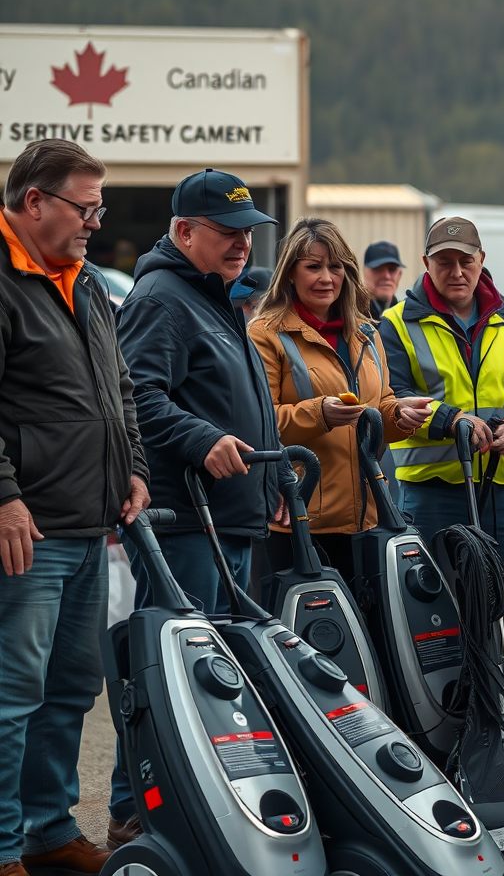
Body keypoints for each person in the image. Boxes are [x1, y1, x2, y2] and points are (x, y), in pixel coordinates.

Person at [109, 168, 292, 845]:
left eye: (248, 232)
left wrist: (274, 485)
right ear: (184, 231)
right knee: (172, 674)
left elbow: (242, 401)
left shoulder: (211, 295)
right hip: (184, 521)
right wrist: (201, 439)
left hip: (226, 519)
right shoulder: (162, 297)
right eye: (227, 231)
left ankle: (198, 806)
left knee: (210, 679)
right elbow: (137, 397)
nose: (243, 243)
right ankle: (135, 811)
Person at [0, 139, 150, 876]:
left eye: (99, 208)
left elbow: (120, 388)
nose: (95, 222)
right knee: (11, 697)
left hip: (90, 526)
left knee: (67, 693)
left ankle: (49, 833)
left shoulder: (86, 283)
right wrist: (4, 498)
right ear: (34, 202)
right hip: (27, 531)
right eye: (85, 208)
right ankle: (3, 846)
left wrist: (135, 467)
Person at [248, 218, 431, 578]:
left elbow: (379, 406)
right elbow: (258, 422)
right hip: (297, 518)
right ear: (290, 272)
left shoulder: (367, 333)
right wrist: (321, 414)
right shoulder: (264, 334)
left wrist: (398, 415)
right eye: (313, 267)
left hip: (368, 518)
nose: (326, 278)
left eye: (335, 267)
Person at [379, 217, 504, 560]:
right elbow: (392, 395)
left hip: (502, 488)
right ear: (426, 263)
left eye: (466, 261)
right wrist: (452, 420)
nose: (457, 272)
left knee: (503, 587)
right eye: (444, 262)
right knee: (432, 591)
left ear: (482, 260)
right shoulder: (396, 323)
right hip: (430, 491)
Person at [363, 240, 404, 322]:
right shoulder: (351, 315)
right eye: (378, 269)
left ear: (399, 275)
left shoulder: (407, 315)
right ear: (365, 273)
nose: (386, 276)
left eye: (392, 269)